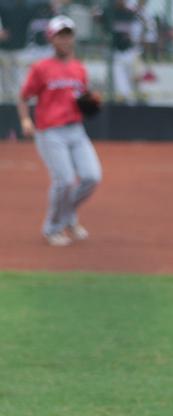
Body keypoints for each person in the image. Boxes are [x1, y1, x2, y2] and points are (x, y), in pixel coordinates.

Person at [16, 15, 102, 247]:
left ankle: (68, 216)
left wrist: (90, 102)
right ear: (51, 39)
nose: (65, 40)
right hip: (50, 132)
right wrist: (25, 120)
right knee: (64, 181)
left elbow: (80, 98)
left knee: (92, 177)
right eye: (60, 36)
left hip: (76, 130)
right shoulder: (41, 68)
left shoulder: (79, 69)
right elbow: (24, 97)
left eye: (68, 35)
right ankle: (52, 228)